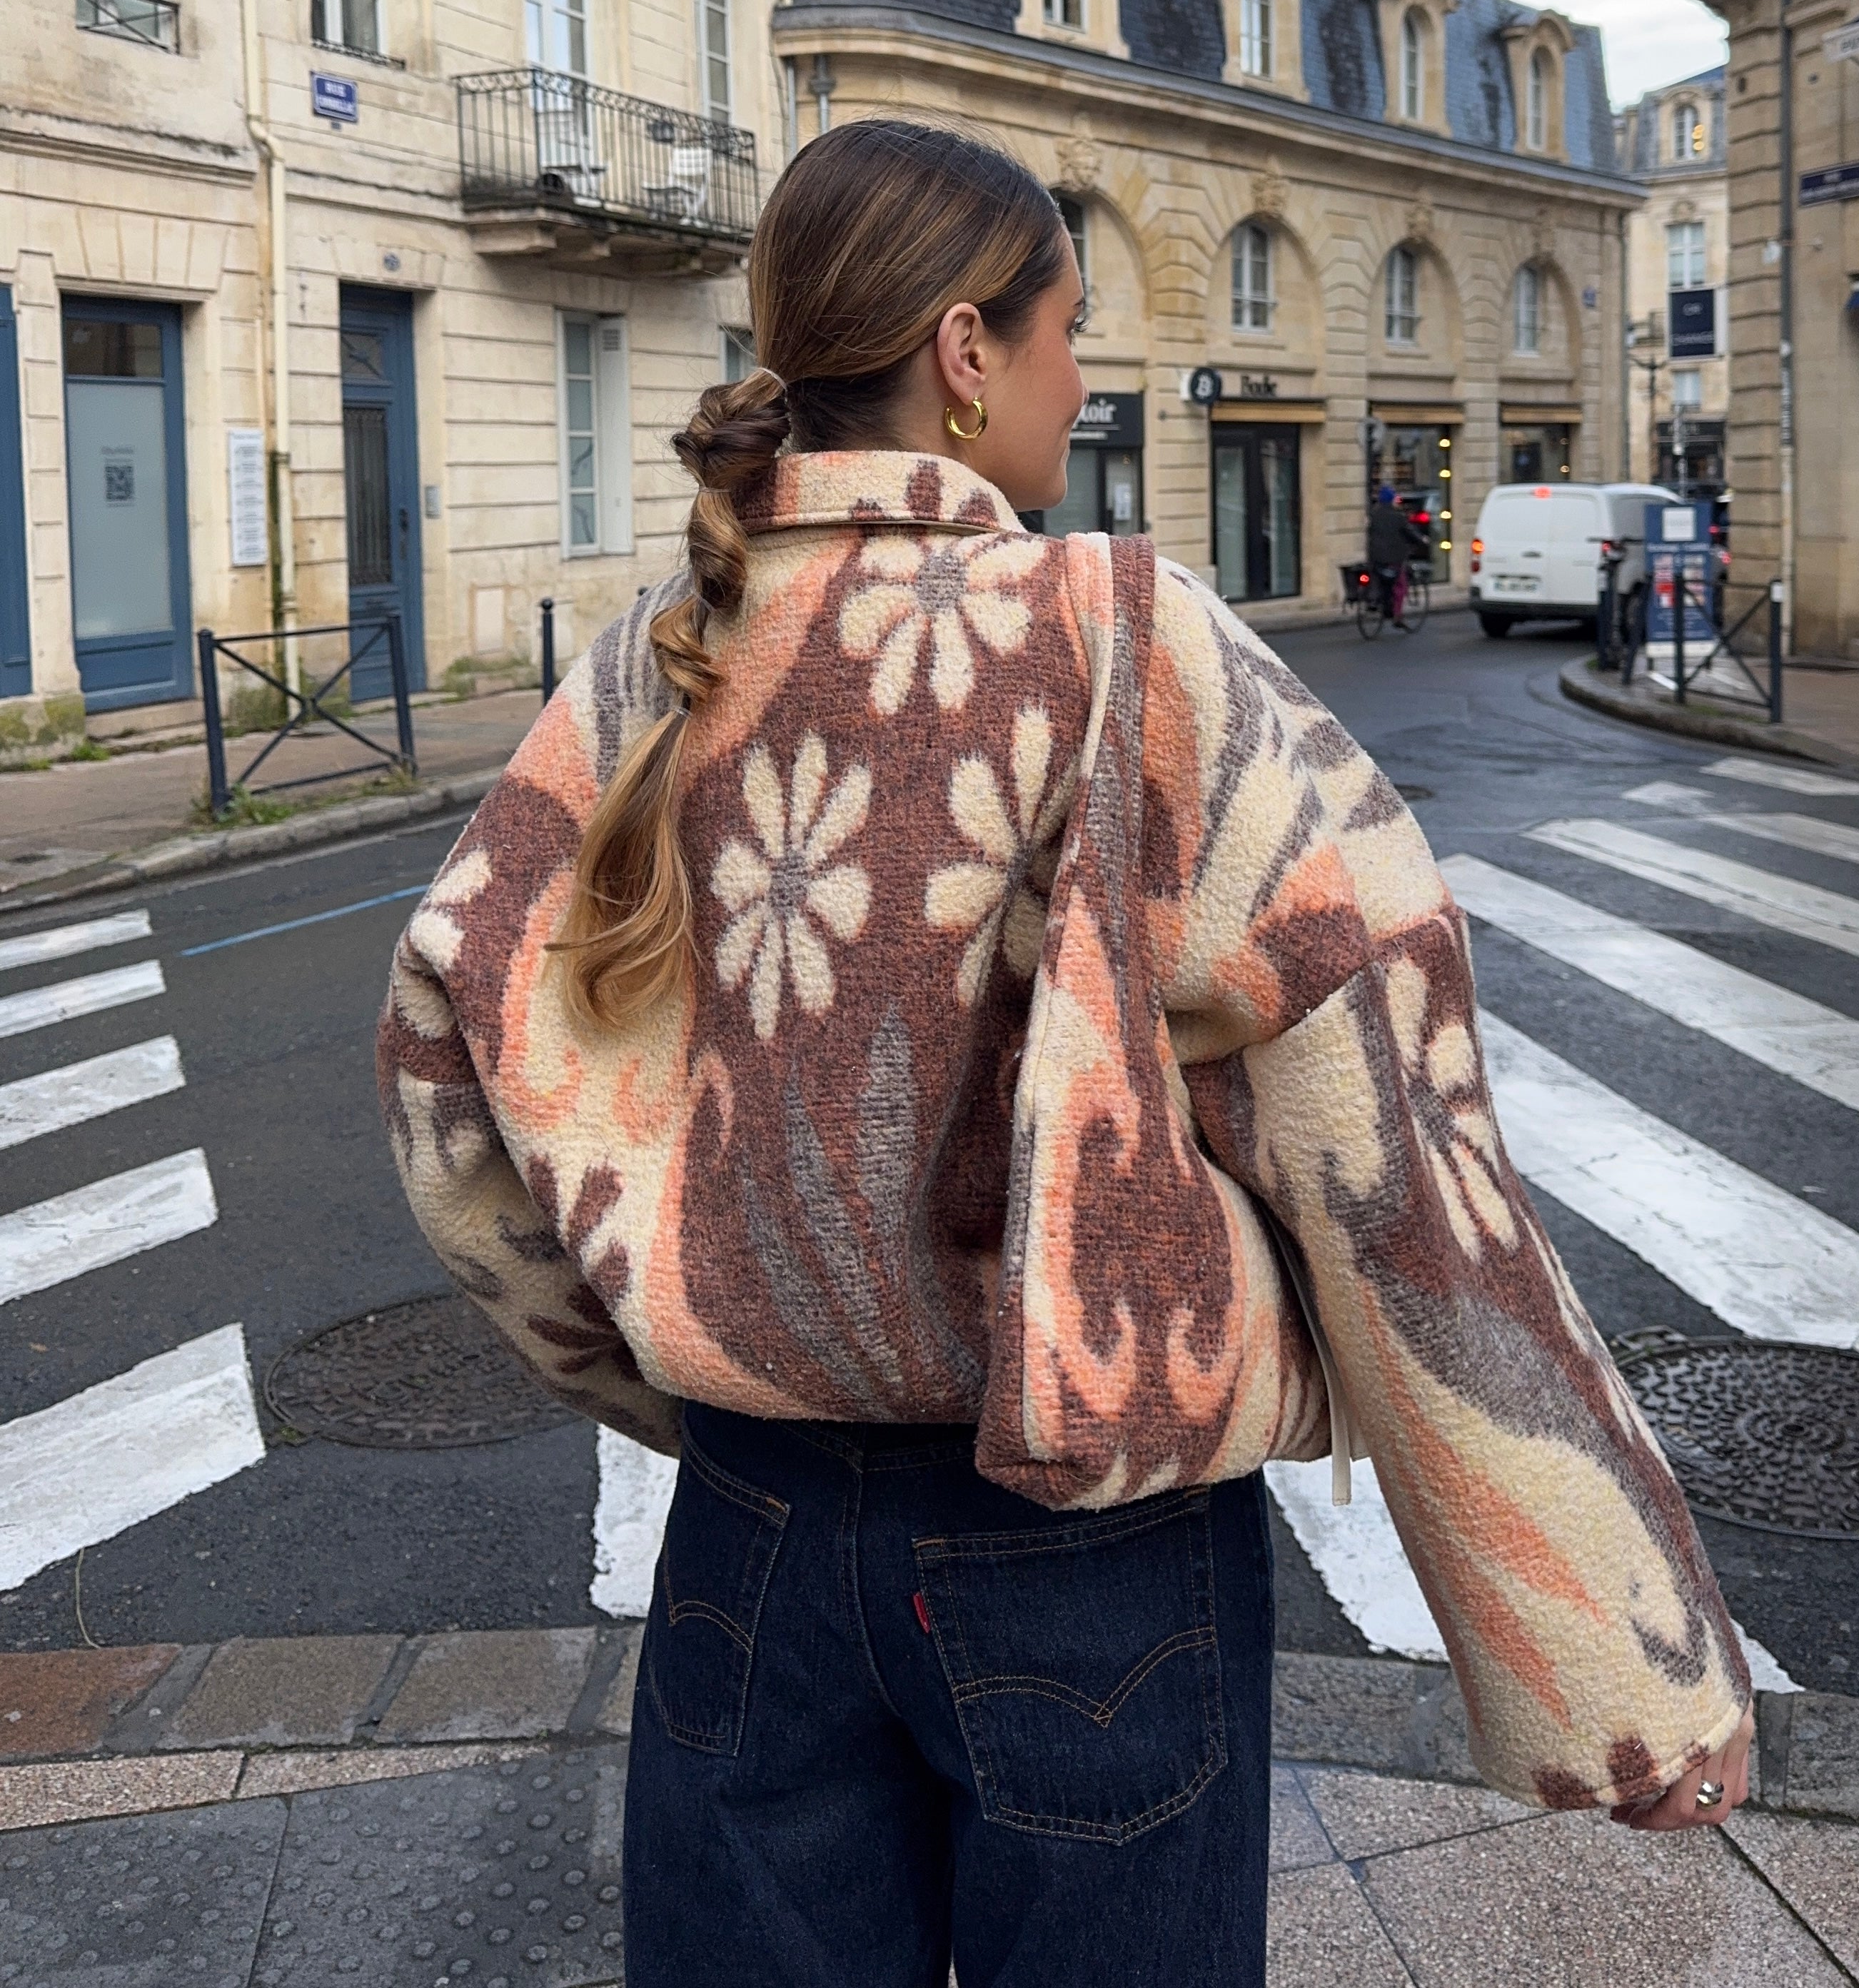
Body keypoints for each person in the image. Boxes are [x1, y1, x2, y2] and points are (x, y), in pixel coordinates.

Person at [380, 119, 1753, 1988]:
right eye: (1063, 330)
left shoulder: (655, 661)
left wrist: (668, 1346)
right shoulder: (1122, 638)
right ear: (965, 351)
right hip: (1096, 1551)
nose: (1080, 375)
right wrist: (1610, 1653)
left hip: (747, 1532)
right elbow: (1395, 1138)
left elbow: (443, 1072)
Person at [1366, 480, 1421, 622]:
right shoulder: (1398, 517)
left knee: (1377, 578)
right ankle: (1397, 615)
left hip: (1375, 556)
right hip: (1393, 558)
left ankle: (1374, 602)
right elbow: (1410, 533)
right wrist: (1422, 540)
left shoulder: (1374, 515)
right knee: (1400, 584)